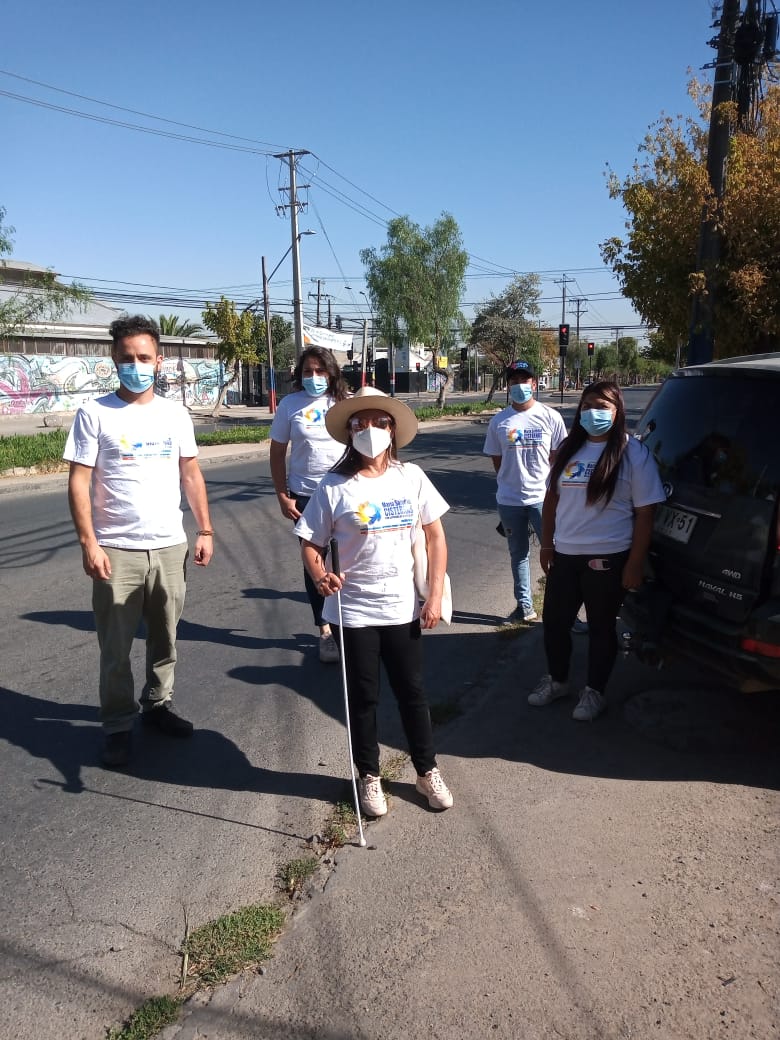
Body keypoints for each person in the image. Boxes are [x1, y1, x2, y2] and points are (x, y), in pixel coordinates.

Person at [63, 315, 214, 768]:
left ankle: (158, 706)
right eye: (127, 358)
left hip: (170, 545)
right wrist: (89, 543)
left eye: (144, 358)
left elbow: (190, 472)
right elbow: (78, 482)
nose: (136, 365)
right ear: (114, 360)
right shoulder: (95, 412)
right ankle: (116, 725)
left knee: (166, 639)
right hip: (116, 549)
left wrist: (204, 529)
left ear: (159, 360)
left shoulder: (175, 413)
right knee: (115, 647)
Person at [295, 387, 454, 816]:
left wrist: (433, 595)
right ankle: (369, 776)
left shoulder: (412, 477)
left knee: (412, 694)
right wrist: (320, 575)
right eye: (359, 423)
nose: (370, 430)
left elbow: (436, 538)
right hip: (354, 611)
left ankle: (426, 771)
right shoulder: (333, 486)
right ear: (348, 432)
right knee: (363, 699)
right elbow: (310, 544)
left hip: (403, 608)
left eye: (379, 422)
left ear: (393, 429)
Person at [529, 380, 665, 721]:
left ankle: (594, 692)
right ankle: (558, 680)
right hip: (566, 555)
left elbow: (646, 512)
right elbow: (551, 501)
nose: (594, 412)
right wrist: (547, 544)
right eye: (588, 405)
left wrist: (635, 563)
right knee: (555, 622)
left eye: (603, 406)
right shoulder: (569, 449)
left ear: (617, 411)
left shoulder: (633, 453)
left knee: (602, 627)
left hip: (609, 557)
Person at [269, 346, 349, 663]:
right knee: (314, 565)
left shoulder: (344, 403)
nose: (314, 377)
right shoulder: (290, 405)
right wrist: (282, 495)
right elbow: (277, 453)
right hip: (305, 496)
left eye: (320, 371)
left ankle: (351, 624)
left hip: (344, 494)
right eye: (307, 371)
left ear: (331, 372)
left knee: (347, 561)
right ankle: (325, 629)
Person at [483, 360, 567, 623]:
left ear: (534, 383)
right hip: (509, 502)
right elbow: (498, 461)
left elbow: (558, 459)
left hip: (543, 500)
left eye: (525, 379)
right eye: (514, 380)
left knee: (557, 555)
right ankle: (525, 607)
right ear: (508, 386)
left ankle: (565, 611)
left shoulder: (550, 417)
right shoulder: (499, 421)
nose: (520, 385)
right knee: (518, 555)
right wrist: (511, 484)